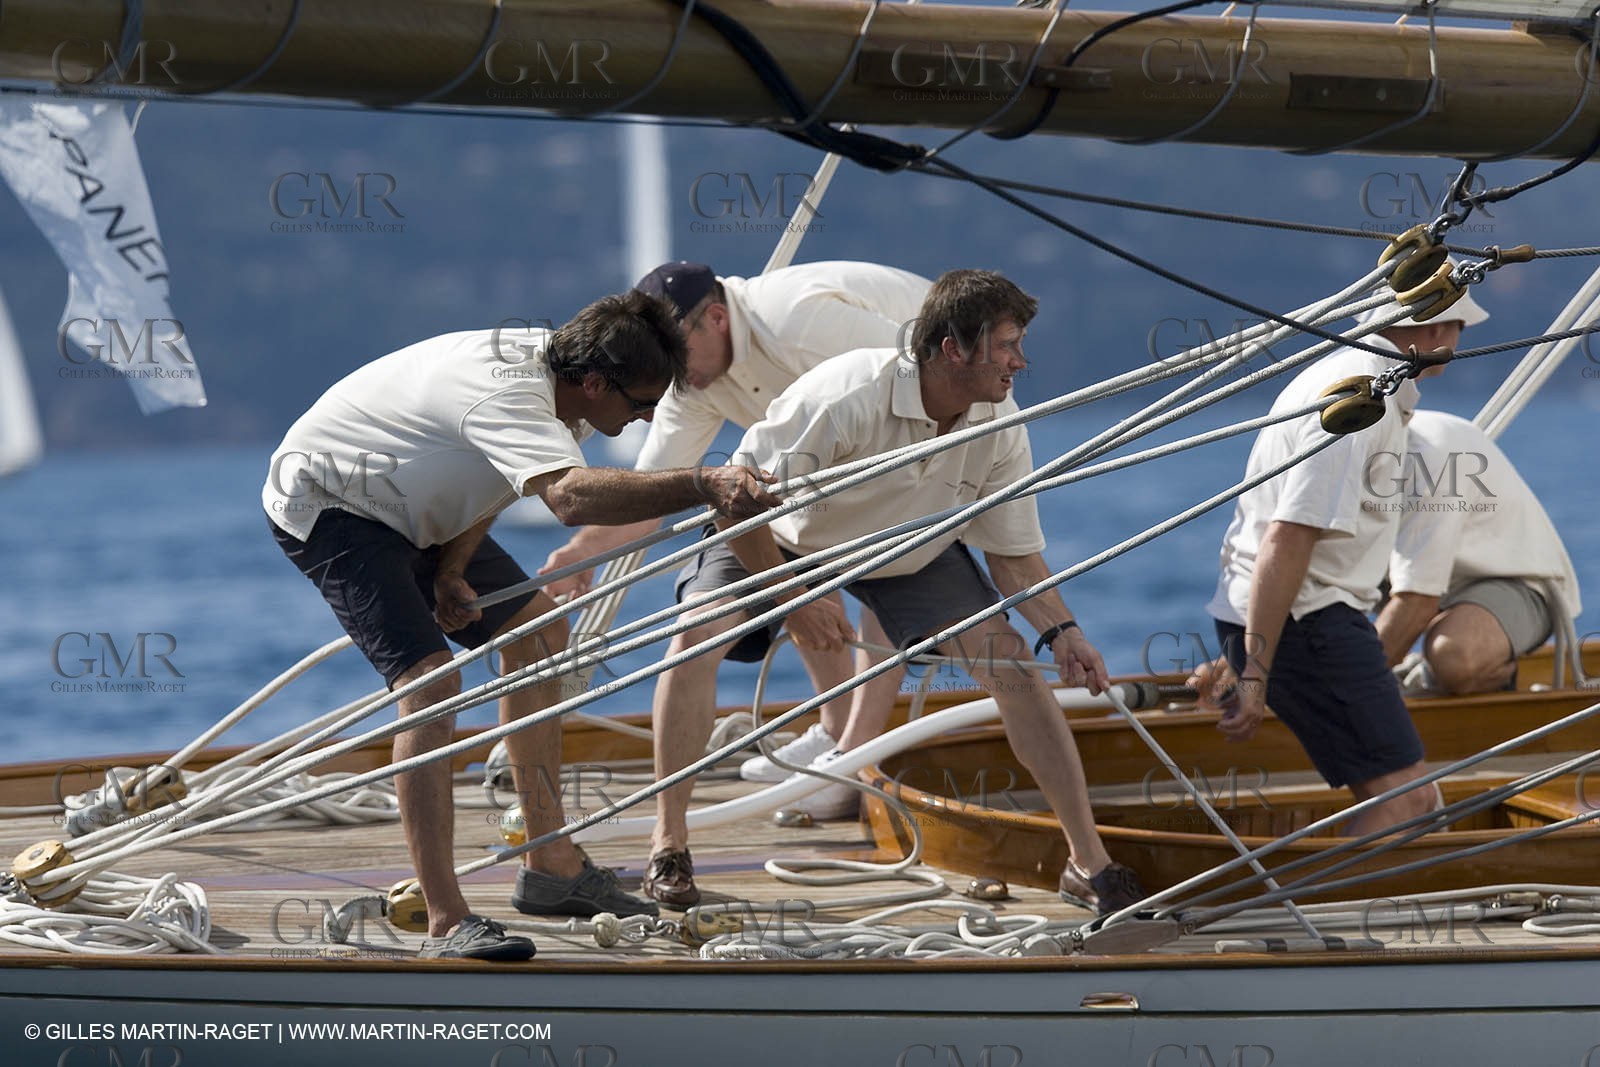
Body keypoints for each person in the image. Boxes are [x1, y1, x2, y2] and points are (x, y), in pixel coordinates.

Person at [263, 292, 781, 961]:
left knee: (539, 631)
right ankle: (447, 921)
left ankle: (551, 868)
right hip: (335, 499)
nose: (649, 415)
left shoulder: (569, 381)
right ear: (595, 383)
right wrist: (705, 482)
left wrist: (452, 563)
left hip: (420, 502)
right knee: (430, 684)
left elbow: (506, 474)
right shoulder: (511, 392)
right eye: (642, 402)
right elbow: (565, 496)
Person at [638, 269, 1147, 915]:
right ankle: (669, 844)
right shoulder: (848, 392)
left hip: (904, 551)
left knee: (1013, 663)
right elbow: (740, 499)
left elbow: (1015, 560)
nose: (1022, 360)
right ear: (953, 350)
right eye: (1008, 344)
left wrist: (1065, 633)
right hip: (780, 533)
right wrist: (792, 594)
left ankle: (1088, 863)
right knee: (694, 636)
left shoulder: (1000, 423)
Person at [540, 260, 934, 818]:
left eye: (677, 352)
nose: (671, 375)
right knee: (777, 550)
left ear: (717, 319)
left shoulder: (799, 317)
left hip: (929, 425)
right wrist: (582, 553)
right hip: (823, 464)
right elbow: (651, 491)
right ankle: (833, 728)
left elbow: (919, 378)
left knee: (883, 560)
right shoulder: (689, 376)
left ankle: (853, 758)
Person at [1196, 286, 1489, 835]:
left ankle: (1332, 911)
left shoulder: (1357, 378)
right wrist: (1256, 671)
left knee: (1409, 800)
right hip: (1307, 620)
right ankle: (1318, 916)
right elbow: (1286, 538)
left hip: (1305, 615)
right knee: (1404, 805)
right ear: (1435, 332)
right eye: (1457, 329)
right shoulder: (1363, 405)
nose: (1455, 341)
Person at [1374, 409, 1582, 695]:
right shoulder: (1334, 457)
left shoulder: (1431, 453)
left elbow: (1417, 601)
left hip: (1514, 582)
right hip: (1421, 586)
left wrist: (1347, 690)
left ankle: (1486, 668)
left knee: (1456, 657)